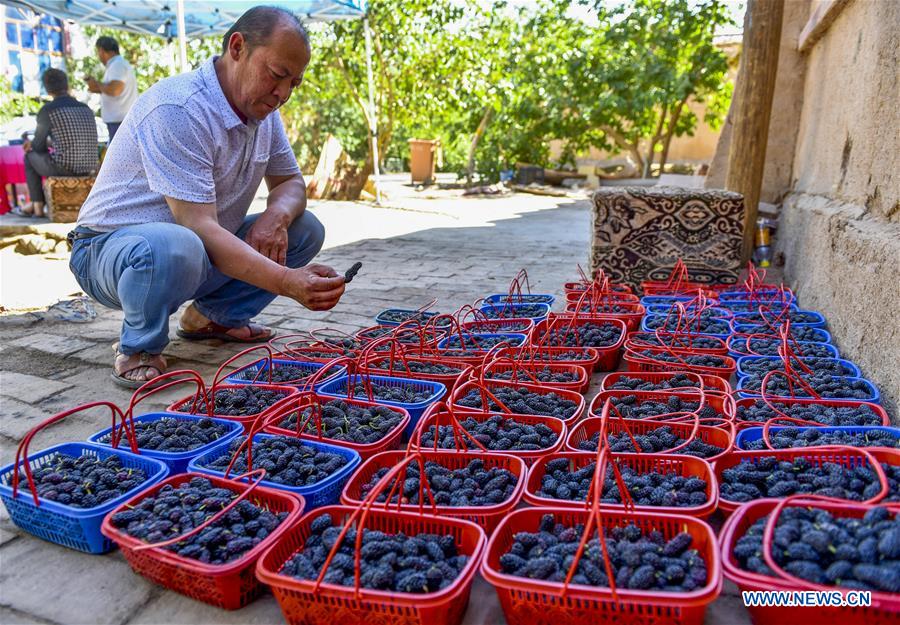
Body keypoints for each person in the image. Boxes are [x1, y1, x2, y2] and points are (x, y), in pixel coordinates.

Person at [70, 6, 345, 388]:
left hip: (194, 250)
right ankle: (139, 347)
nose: (282, 94)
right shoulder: (180, 108)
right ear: (237, 48)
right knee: (175, 244)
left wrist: (276, 216)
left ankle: (213, 318)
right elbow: (197, 225)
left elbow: (291, 184)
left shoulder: (265, 115)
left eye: (293, 84)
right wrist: (287, 281)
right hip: (108, 251)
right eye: (277, 75)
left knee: (304, 229)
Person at [19, 68, 98, 218]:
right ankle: (36, 205)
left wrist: (32, 144)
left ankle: (37, 206)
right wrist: (50, 143)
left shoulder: (47, 110)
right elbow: (70, 140)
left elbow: (38, 147)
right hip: (89, 166)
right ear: (67, 86)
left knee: (29, 157)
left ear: (47, 90)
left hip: (65, 167)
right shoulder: (85, 108)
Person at [86, 36, 137, 142]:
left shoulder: (117, 65)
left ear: (101, 50)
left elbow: (115, 90)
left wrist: (97, 84)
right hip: (119, 120)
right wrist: (96, 86)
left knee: (120, 157)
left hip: (119, 121)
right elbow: (113, 89)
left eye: (98, 52)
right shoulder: (118, 64)